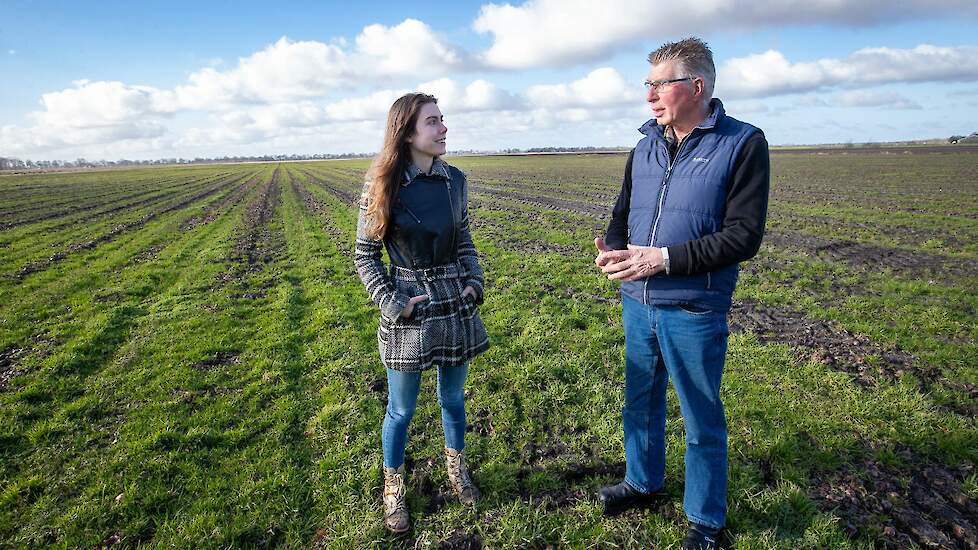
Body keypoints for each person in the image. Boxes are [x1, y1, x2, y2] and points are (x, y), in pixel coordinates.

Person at [594, 37, 770, 550]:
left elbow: (744, 235)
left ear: (696, 86)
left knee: (700, 415)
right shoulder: (645, 143)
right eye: (647, 83)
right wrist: (614, 248)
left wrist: (664, 259)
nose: (649, 94)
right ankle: (642, 481)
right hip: (638, 301)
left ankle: (705, 519)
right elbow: (623, 210)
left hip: (694, 305)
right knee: (638, 402)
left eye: (659, 83)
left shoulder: (742, 143)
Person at [354, 93, 490, 533]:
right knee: (401, 409)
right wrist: (392, 302)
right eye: (433, 122)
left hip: (455, 299)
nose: (444, 128)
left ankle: (457, 468)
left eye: (442, 119)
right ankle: (393, 487)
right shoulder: (382, 186)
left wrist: (475, 280)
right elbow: (365, 254)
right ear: (408, 132)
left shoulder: (456, 180)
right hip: (409, 304)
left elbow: (465, 238)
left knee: (453, 398)